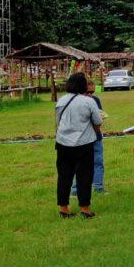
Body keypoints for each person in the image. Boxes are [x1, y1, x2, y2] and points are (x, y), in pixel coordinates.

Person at [54, 72, 103, 219]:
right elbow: (98, 121)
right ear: (83, 85)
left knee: (64, 176)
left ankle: (64, 208)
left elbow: (57, 122)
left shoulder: (61, 100)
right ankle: (85, 209)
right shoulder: (88, 101)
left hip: (62, 143)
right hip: (83, 143)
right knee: (84, 176)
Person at [72, 79, 106, 198]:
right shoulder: (75, 101)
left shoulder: (95, 100)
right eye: (87, 92)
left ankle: (98, 186)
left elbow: (100, 116)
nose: (90, 95)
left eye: (92, 92)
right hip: (81, 138)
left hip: (95, 137)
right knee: (79, 164)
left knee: (98, 162)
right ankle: (76, 189)